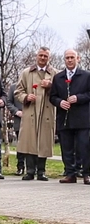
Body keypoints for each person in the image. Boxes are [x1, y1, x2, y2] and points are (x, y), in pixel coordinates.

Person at [14, 47, 57, 181]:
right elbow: (18, 91)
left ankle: (41, 172)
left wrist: (50, 86)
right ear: (36, 56)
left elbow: (60, 92)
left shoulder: (55, 73)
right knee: (29, 141)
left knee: (43, 141)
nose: (43, 58)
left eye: (45, 56)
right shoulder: (27, 72)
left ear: (49, 58)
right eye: (41, 55)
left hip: (47, 112)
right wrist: (26, 97)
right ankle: (30, 171)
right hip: (30, 111)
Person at [49, 49, 90, 184]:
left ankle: (86, 174)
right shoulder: (58, 77)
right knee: (66, 148)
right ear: (64, 60)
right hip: (64, 118)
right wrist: (59, 102)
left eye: (72, 57)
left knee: (84, 147)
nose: (70, 60)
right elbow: (52, 97)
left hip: (83, 119)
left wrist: (78, 98)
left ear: (78, 59)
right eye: (67, 58)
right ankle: (70, 174)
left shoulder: (86, 76)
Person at [6, 82, 26, 175]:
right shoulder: (14, 87)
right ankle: (20, 167)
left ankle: (35, 167)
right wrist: (16, 111)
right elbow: (8, 102)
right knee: (21, 145)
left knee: (35, 145)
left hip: (33, 119)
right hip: (19, 120)